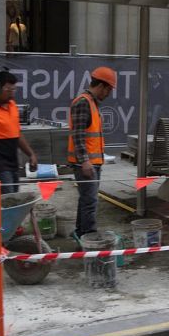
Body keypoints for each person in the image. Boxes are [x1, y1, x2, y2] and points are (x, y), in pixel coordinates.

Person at [68, 66, 117, 241]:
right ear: (102, 86)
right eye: (109, 89)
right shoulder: (83, 102)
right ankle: (89, 238)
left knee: (86, 200)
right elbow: (78, 135)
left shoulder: (92, 103)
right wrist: (85, 161)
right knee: (90, 202)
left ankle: (80, 233)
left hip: (92, 162)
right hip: (86, 163)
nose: (109, 93)